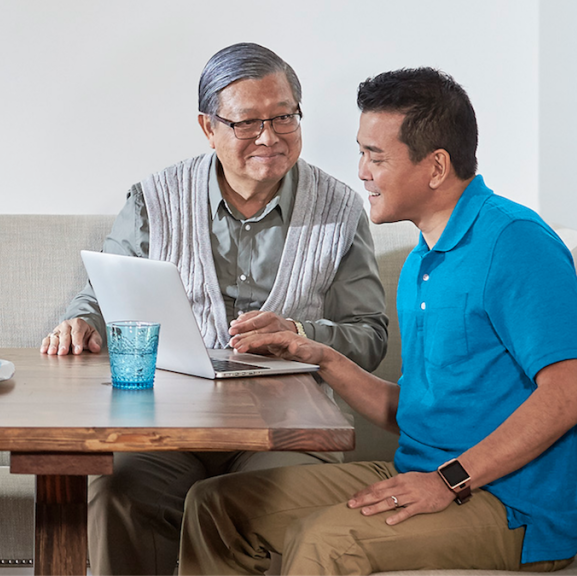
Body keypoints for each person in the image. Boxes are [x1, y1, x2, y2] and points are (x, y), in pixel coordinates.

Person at [177, 67, 577, 575]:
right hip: (421, 474)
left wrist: (448, 480)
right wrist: (318, 355)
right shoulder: (423, 259)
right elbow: (415, 411)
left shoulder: (516, 242)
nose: (361, 171)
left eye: (375, 156)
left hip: (511, 507)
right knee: (216, 506)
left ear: (436, 167)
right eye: (361, 152)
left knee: (326, 540)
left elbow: (569, 394)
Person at [41, 43, 388, 576]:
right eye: (248, 123)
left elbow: (367, 334)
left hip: (288, 425)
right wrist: (83, 321)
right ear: (209, 127)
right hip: (171, 422)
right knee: (118, 492)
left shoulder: (341, 208)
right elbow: (106, 291)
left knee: (257, 500)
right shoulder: (154, 198)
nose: (270, 137)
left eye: (284, 117)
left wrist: (299, 333)